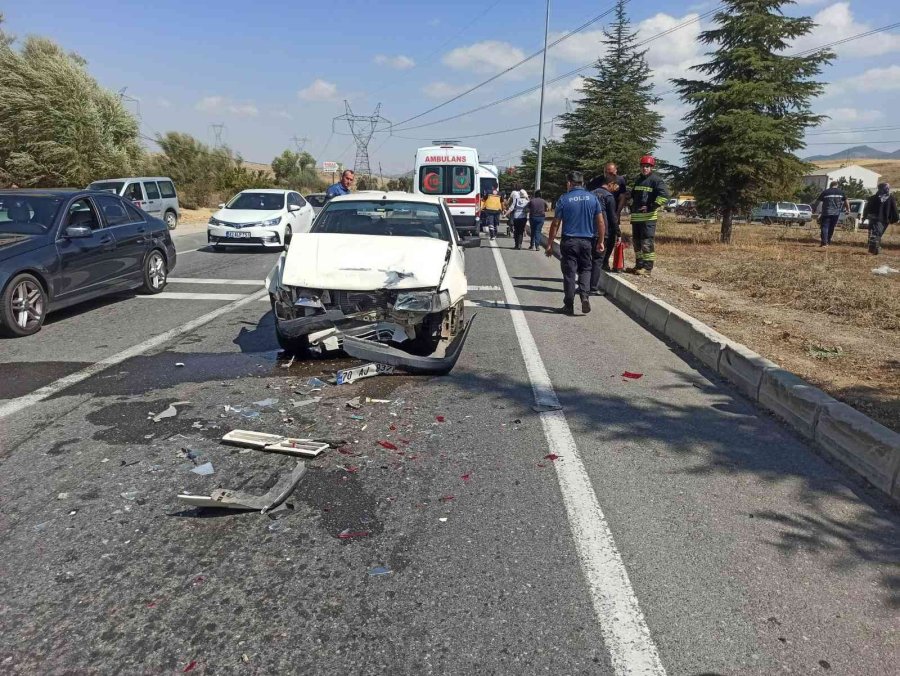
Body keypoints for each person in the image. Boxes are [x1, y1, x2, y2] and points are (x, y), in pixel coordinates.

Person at [545, 171, 606, 315]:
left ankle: (569, 304)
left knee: (569, 273)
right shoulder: (592, 198)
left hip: (569, 241)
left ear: (569, 183)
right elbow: (601, 222)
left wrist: (549, 244)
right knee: (585, 269)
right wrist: (601, 241)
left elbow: (555, 224)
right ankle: (584, 296)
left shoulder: (564, 199)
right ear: (582, 182)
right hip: (587, 241)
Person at [627, 155, 669, 275]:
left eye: (647, 167)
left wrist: (651, 206)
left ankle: (647, 268)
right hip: (636, 218)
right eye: (643, 166)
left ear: (651, 168)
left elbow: (664, 195)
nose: (645, 168)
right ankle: (639, 265)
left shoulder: (656, 180)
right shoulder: (638, 180)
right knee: (637, 243)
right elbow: (634, 195)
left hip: (648, 219)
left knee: (646, 243)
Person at [589, 176, 621, 294]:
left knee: (588, 259)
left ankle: (583, 284)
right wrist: (618, 232)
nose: (617, 188)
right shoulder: (609, 196)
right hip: (602, 232)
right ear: (610, 184)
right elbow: (612, 217)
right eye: (616, 185)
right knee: (598, 260)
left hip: (588, 232)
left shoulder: (590, 194)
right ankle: (592, 287)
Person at [862, 182, 898, 255]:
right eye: (887, 187)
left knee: (875, 234)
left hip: (878, 219)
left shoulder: (875, 198)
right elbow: (894, 209)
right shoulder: (889, 198)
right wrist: (895, 218)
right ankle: (874, 250)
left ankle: (874, 249)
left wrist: (864, 217)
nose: (888, 189)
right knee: (876, 234)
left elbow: (894, 209)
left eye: (888, 187)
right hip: (880, 219)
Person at [812, 180, 851, 247]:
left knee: (825, 226)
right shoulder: (841, 192)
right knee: (831, 227)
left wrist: (814, 209)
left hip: (826, 212)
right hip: (836, 213)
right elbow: (846, 201)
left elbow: (817, 201)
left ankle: (824, 242)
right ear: (837, 185)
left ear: (830, 185)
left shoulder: (826, 192)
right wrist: (848, 209)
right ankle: (828, 241)